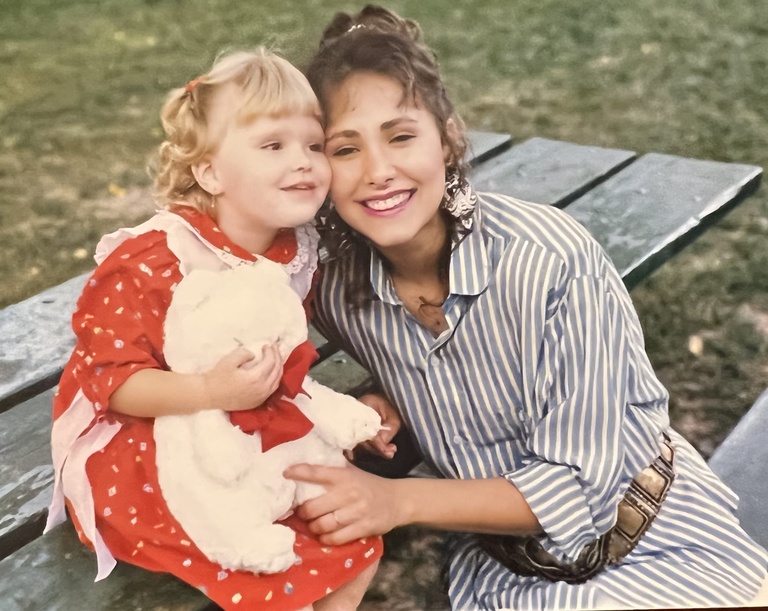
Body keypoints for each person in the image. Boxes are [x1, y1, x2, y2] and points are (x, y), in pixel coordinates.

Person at [283, 5, 768, 610]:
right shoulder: (337, 291)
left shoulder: (551, 260)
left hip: (653, 543)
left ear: (447, 137)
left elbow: (580, 488)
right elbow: (440, 356)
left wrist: (397, 502)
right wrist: (389, 397)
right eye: (344, 149)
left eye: (401, 136)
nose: (379, 172)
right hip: (503, 573)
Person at [45, 48, 381, 611]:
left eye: (314, 145)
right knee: (254, 556)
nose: (304, 162)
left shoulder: (294, 245)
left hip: (244, 415)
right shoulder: (157, 257)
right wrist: (208, 393)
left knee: (350, 524)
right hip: (146, 431)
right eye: (274, 145)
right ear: (208, 172)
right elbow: (114, 384)